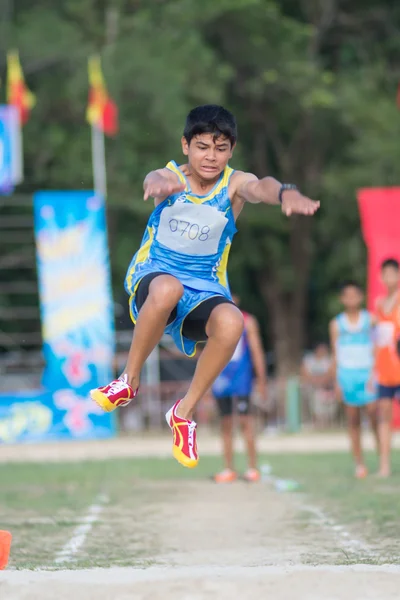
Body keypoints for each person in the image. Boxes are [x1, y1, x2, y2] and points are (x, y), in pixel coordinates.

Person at [90, 104, 319, 468]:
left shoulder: (234, 184)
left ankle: (183, 413)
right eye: (202, 147)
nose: (211, 157)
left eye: (221, 148)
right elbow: (155, 177)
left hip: (204, 288)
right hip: (155, 276)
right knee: (167, 290)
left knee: (233, 323)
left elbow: (262, 186)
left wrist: (285, 192)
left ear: (231, 151)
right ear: (185, 146)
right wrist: (157, 184)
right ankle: (128, 381)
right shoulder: (172, 177)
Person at [211, 295, 267, 483]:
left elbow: (257, 351)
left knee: (246, 422)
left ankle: (252, 467)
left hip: (241, 378)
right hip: (220, 378)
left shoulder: (248, 321)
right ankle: (228, 468)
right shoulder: (213, 321)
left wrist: (261, 379)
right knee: (225, 424)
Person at [329, 281, 378, 479]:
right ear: (342, 299)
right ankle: (359, 462)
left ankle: (380, 454)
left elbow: (377, 347)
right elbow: (335, 353)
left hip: (367, 373)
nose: (351, 299)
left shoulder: (370, 320)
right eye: (346, 296)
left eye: (354, 295)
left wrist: (375, 374)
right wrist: (337, 381)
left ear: (361, 297)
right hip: (346, 375)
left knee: (373, 416)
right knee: (353, 420)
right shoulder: (336, 323)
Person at [374, 258, 400, 477]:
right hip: (384, 370)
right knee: (384, 418)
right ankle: (384, 465)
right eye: (386, 274)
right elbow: (377, 339)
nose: (389, 278)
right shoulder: (379, 304)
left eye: (393, 273)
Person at [301, 343, 335, 427]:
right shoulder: (309, 360)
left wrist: (321, 382)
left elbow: (331, 373)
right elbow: (304, 373)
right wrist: (315, 381)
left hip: (326, 387)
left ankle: (327, 421)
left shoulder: (329, 360)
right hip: (312, 387)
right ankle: (317, 421)